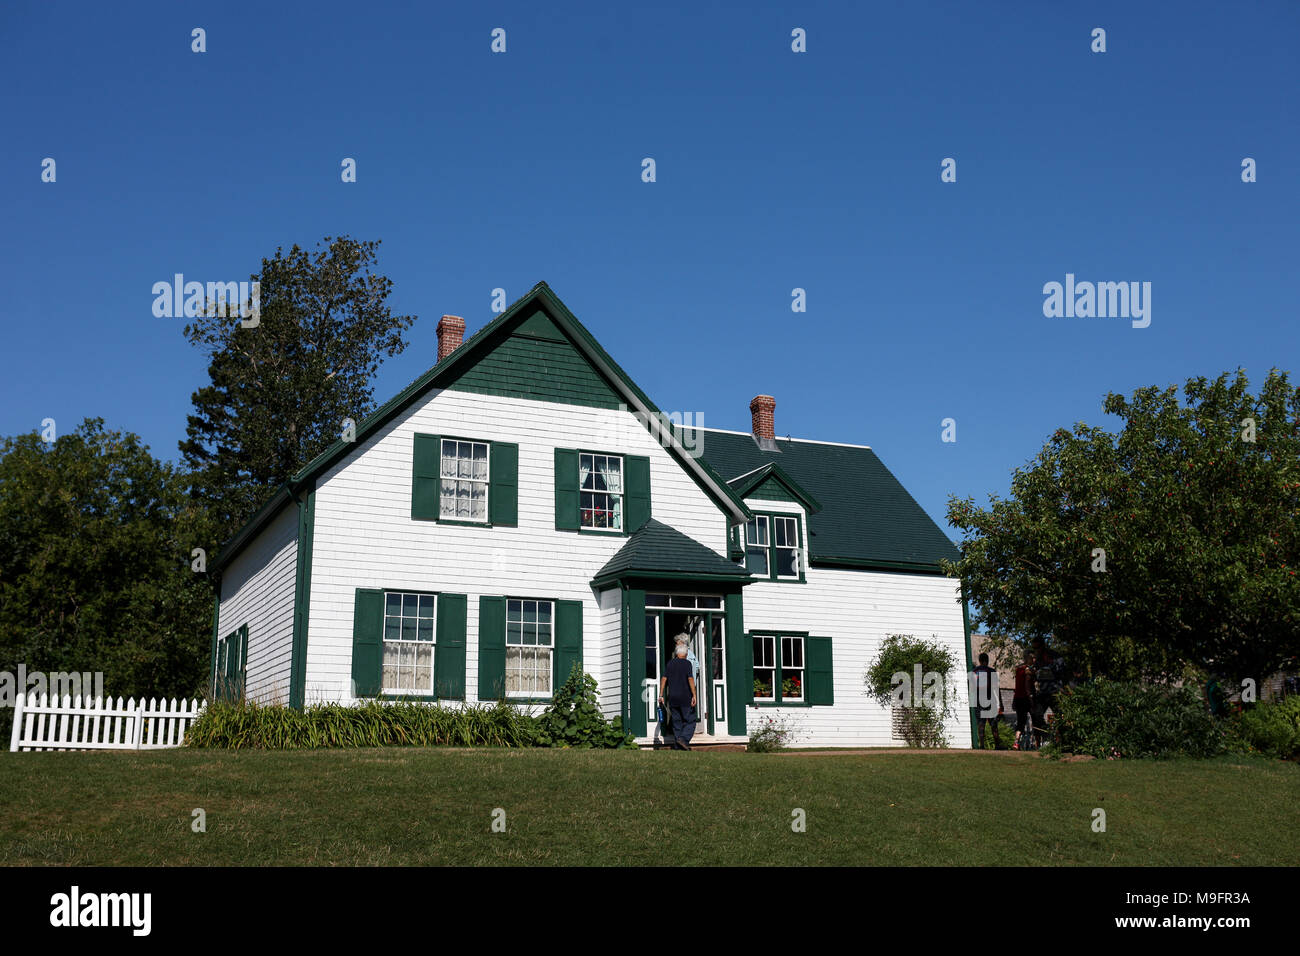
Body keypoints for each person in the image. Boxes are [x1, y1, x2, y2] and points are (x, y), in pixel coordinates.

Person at [659, 643, 698, 750]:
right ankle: (683, 740)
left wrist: (661, 694)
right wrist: (694, 695)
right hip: (685, 698)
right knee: (690, 721)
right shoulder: (687, 664)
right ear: (685, 654)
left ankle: (678, 747)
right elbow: (690, 679)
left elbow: (664, 679)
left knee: (677, 723)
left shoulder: (670, 664)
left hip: (673, 698)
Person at [972, 652, 1002, 749]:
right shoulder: (991, 671)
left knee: (981, 723)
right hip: (990, 698)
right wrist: (1000, 702)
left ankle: (982, 745)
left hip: (978, 699)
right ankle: (997, 745)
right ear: (987, 661)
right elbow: (996, 688)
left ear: (980, 661)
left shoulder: (974, 672)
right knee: (993, 723)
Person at [1012, 650, 1035, 750]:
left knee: (1020, 722)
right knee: (1036, 718)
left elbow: (1017, 686)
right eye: (1032, 658)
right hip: (1026, 698)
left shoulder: (1018, 669)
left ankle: (1016, 742)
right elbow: (1026, 686)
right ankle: (1035, 742)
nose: (1034, 659)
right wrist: (1030, 698)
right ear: (1028, 658)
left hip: (1018, 698)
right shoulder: (1027, 670)